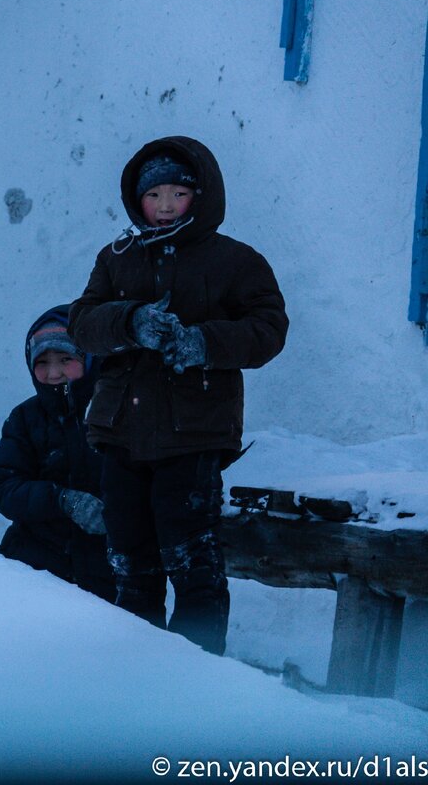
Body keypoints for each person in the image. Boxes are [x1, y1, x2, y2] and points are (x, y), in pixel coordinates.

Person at [68, 136, 288, 654]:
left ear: (202, 195)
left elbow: (269, 329)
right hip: (121, 435)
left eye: (178, 194)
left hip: (192, 436)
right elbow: (82, 324)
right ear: (136, 200)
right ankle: (135, 673)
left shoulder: (236, 261)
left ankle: (198, 680)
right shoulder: (116, 258)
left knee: (195, 569)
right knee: (130, 567)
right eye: (154, 195)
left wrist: (203, 341)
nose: (165, 206)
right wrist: (130, 322)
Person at [0, 307, 116, 603]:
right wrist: (62, 501)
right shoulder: (25, 418)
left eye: (65, 359)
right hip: (31, 570)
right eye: (42, 362)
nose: (53, 373)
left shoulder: (114, 412)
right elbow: (2, 487)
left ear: (88, 358)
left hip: (104, 576)